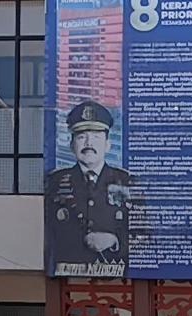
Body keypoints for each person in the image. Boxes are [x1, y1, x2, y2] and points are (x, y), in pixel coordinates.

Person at [45, 100, 132, 275]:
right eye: (81, 137)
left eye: (96, 136)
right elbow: (47, 233)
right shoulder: (54, 182)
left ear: (108, 145)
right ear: (72, 145)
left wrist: (115, 241)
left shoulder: (128, 182)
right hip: (67, 270)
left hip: (116, 272)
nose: (88, 143)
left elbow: (145, 234)